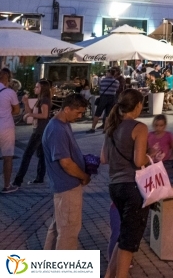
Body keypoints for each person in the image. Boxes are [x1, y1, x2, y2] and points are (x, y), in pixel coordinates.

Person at [101, 89, 149, 276]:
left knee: (123, 237)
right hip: (132, 188)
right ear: (137, 105)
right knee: (129, 242)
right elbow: (138, 161)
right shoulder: (139, 127)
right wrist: (150, 156)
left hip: (115, 187)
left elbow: (104, 158)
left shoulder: (112, 124)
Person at [41, 93, 90, 248]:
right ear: (67, 109)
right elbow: (66, 163)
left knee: (59, 226)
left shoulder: (62, 124)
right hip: (67, 186)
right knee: (68, 231)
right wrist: (84, 176)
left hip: (63, 186)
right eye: (78, 112)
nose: (80, 116)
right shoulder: (57, 129)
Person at [13, 79, 51, 187]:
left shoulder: (44, 100)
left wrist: (30, 116)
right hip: (39, 130)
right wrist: (25, 103)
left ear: (42, 89)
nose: (35, 88)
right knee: (41, 154)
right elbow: (30, 112)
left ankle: (18, 180)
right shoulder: (40, 100)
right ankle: (39, 178)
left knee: (27, 155)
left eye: (37, 87)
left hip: (40, 131)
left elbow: (44, 115)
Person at [0, 68, 20, 193]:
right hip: (6, 126)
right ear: (7, 78)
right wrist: (7, 112)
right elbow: (17, 110)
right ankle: (7, 186)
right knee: (7, 157)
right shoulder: (9, 92)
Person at [90, 69, 119, 133]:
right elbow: (116, 89)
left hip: (103, 97)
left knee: (97, 113)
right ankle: (105, 129)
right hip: (112, 98)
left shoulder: (103, 81)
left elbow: (100, 88)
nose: (106, 74)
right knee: (108, 114)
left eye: (107, 73)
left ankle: (93, 128)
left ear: (109, 73)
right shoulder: (116, 82)